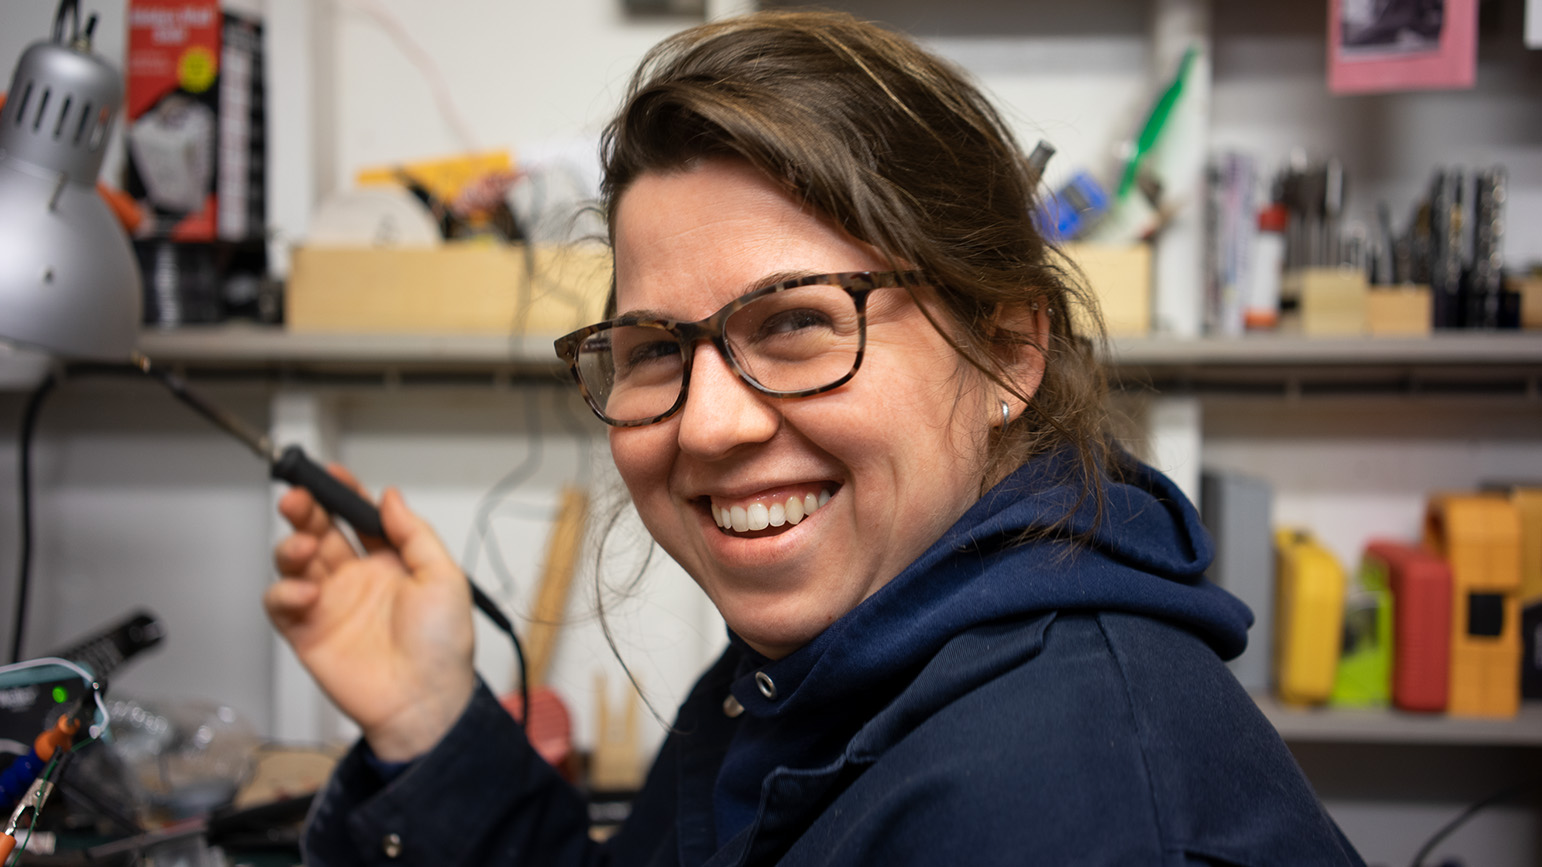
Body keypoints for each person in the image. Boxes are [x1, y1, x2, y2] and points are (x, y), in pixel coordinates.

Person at [267, 10, 1364, 866]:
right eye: (655, 348)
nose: (708, 422)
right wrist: (431, 721)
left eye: (795, 322)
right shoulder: (809, 668)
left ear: (1008, 352)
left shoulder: (1068, 810)